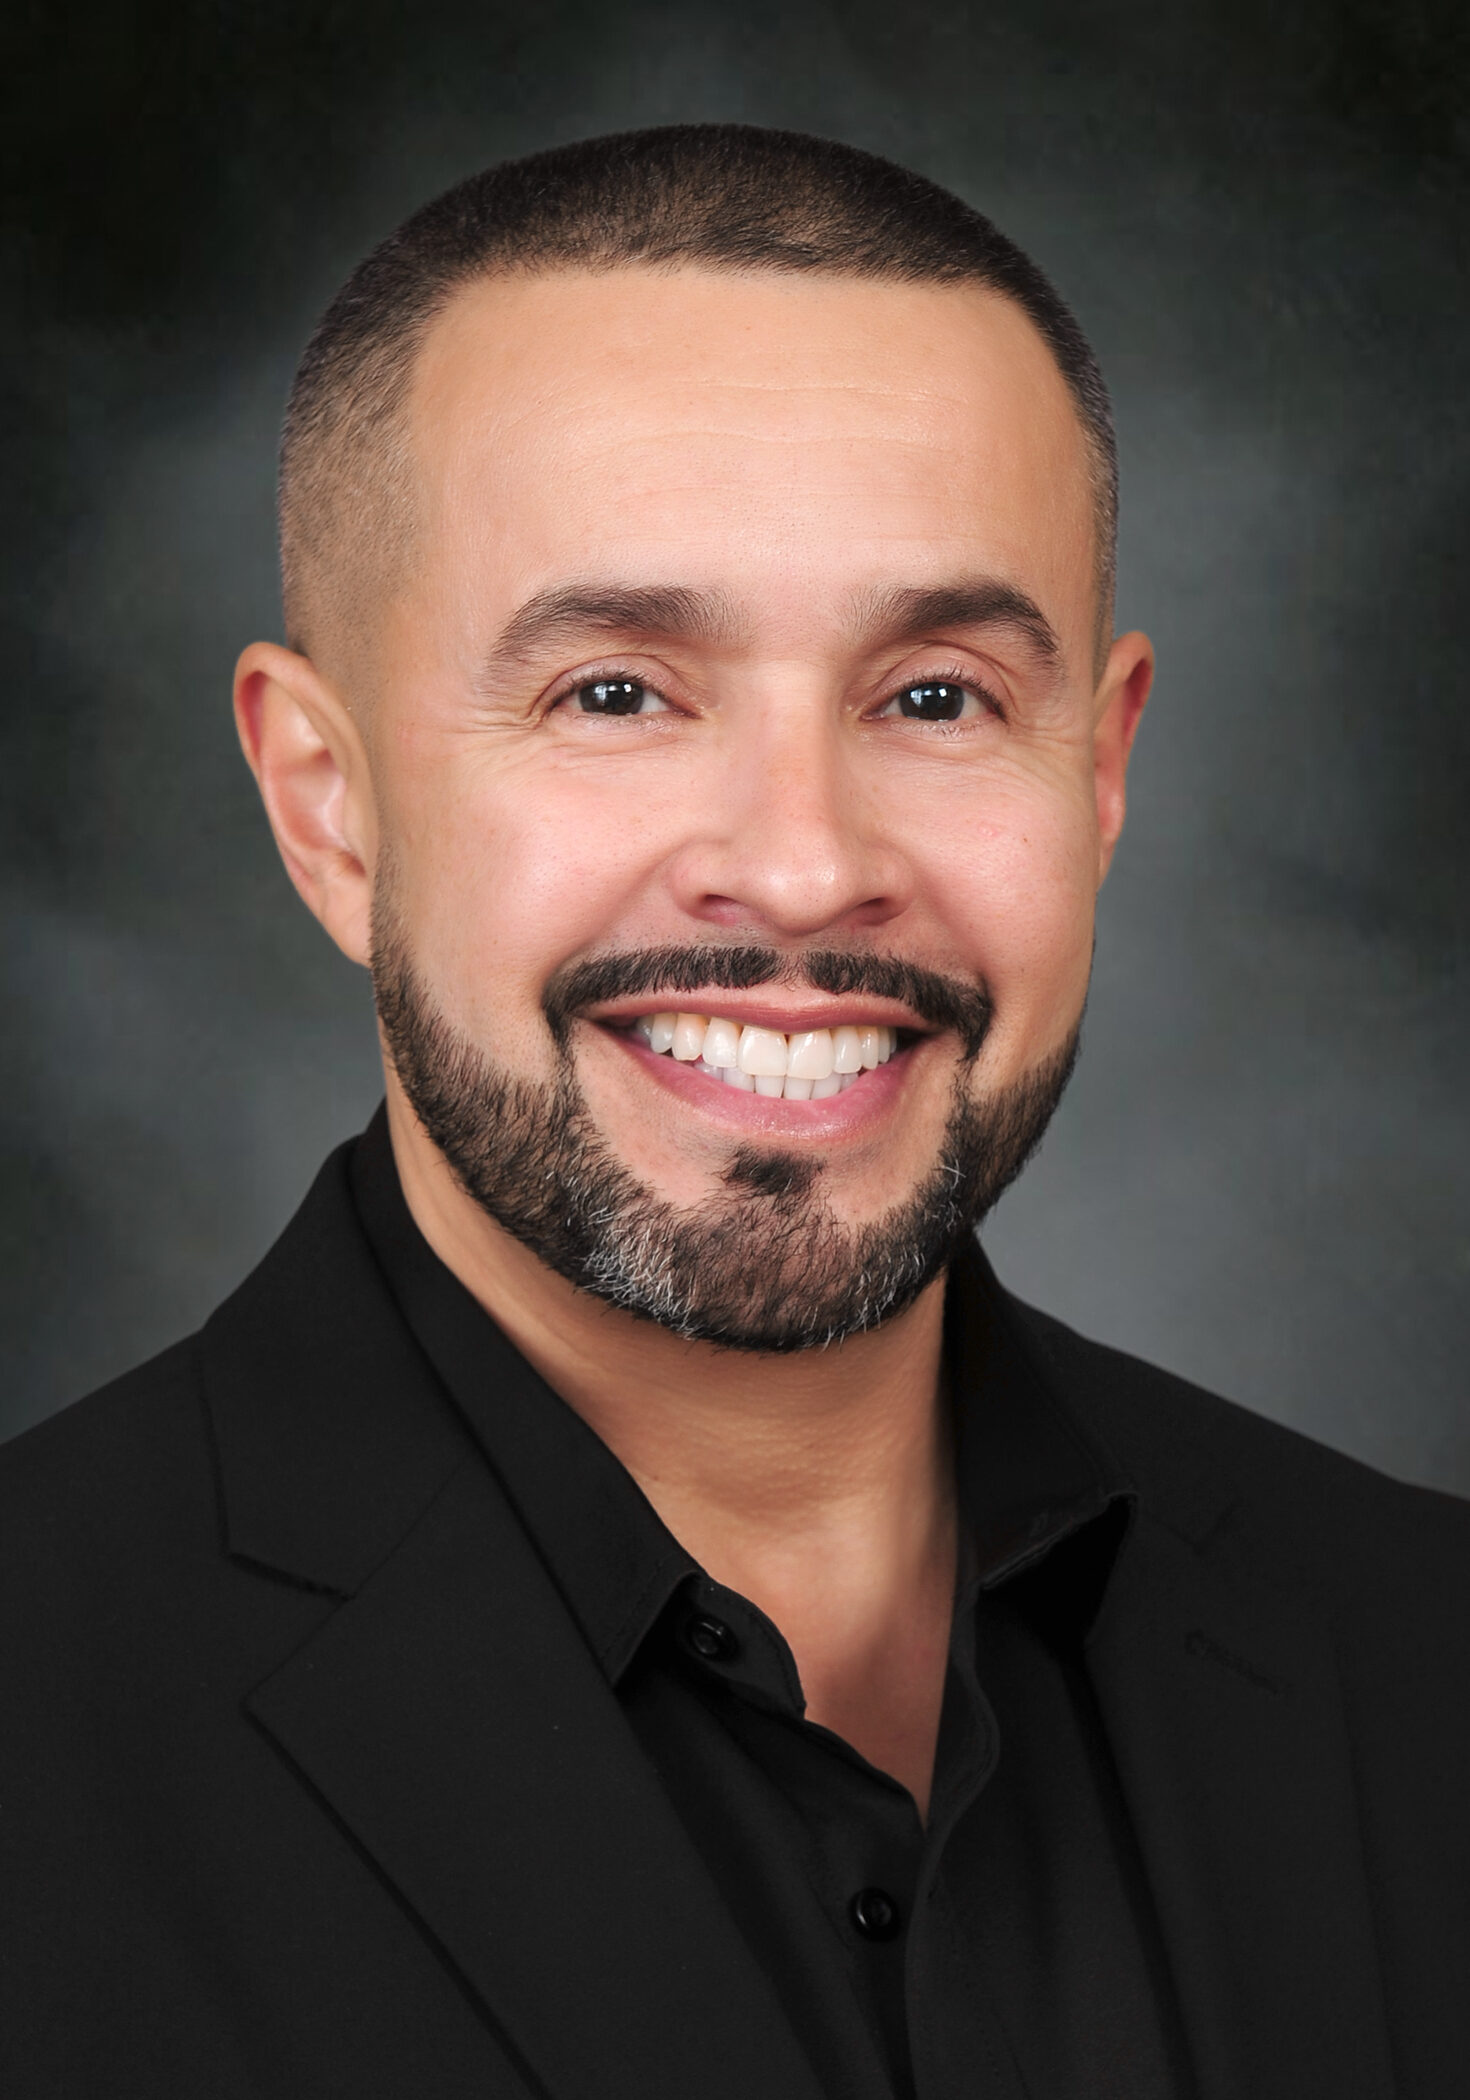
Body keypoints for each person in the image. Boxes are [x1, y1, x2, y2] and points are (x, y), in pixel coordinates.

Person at [0, 123, 1464, 2100]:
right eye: (617, 693)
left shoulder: (1427, 1663)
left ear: (1101, 774)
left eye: (937, 697)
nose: (797, 869)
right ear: (328, 802)